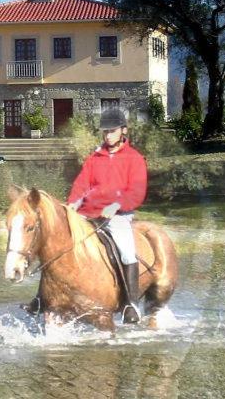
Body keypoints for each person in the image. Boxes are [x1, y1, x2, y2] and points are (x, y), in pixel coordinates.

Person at [65, 107, 148, 324]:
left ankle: (131, 304)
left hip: (117, 216)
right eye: (105, 132)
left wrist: (117, 205)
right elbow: (82, 184)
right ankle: (42, 298)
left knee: (127, 251)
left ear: (123, 130)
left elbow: (136, 192)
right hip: (88, 213)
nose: (107, 135)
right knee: (60, 242)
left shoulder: (134, 158)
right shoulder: (95, 158)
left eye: (111, 131)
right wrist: (74, 202)